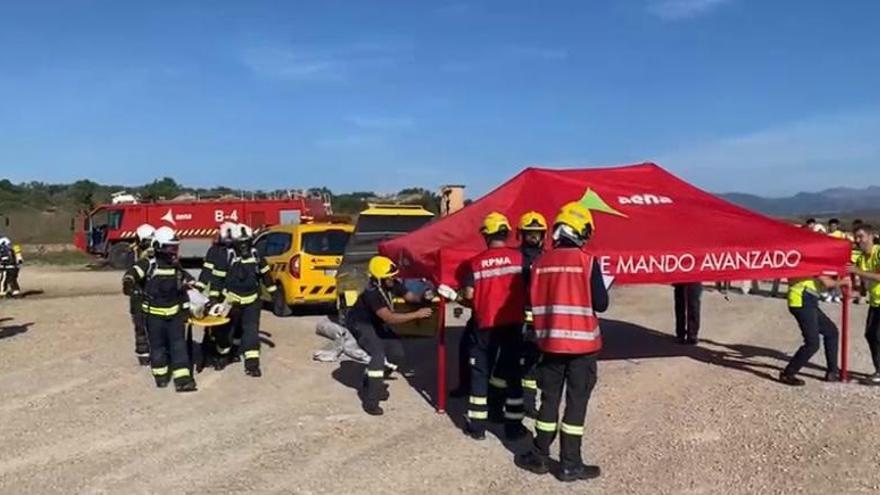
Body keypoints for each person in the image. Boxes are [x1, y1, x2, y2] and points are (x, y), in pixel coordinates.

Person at [515, 202, 608, 483]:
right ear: (578, 230)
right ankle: (570, 464)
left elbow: (533, 301)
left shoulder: (539, 263)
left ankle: (540, 456)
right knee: (576, 404)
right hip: (583, 349)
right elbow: (601, 304)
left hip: (550, 346)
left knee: (549, 402)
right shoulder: (587, 261)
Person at [459, 212, 528, 441]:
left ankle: (477, 427)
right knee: (512, 373)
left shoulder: (476, 263)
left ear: (486, 236)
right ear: (507, 233)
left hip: (485, 324)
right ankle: (513, 427)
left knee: (480, 373)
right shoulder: (520, 259)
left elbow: (468, 294)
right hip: (513, 323)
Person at [345, 256, 433, 415]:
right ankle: (371, 401)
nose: (394, 279)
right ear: (379, 279)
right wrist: (416, 315)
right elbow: (389, 318)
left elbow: (410, 297)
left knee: (397, 353)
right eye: (390, 277)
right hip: (361, 323)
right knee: (378, 353)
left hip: (377, 322)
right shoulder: (372, 293)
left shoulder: (392, 283)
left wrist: (424, 296)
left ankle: (372, 380)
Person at [123, 226, 197, 392]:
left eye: (175, 247)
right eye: (171, 248)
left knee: (179, 346)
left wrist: (196, 297)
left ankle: (183, 380)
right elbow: (132, 273)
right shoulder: (149, 264)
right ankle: (161, 376)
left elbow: (188, 283)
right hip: (153, 316)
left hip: (175, 316)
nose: (174, 251)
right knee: (158, 348)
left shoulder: (176, 267)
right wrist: (129, 283)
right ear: (160, 247)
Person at [210, 223, 278, 377]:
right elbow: (217, 280)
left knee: (251, 332)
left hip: (252, 300)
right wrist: (214, 299)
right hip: (230, 300)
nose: (244, 246)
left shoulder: (256, 256)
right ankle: (223, 356)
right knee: (226, 331)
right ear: (233, 242)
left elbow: (266, 276)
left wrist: (275, 296)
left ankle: (252, 365)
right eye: (240, 243)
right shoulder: (225, 256)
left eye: (246, 242)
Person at [779, 272, 847, 386]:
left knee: (831, 332)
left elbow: (824, 284)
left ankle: (832, 371)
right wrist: (843, 282)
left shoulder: (807, 264)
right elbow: (827, 283)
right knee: (812, 343)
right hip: (802, 300)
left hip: (807, 300)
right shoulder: (810, 264)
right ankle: (788, 374)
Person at [518, 211, 548, 418]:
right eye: (531, 233)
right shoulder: (515, 258)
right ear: (522, 234)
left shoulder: (549, 258)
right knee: (520, 362)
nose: (534, 237)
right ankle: (523, 403)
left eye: (538, 233)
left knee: (535, 363)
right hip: (520, 319)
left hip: (540, 320)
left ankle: (528, 402)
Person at [195, 222, 237, 369]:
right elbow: (206, 274)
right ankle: (217, 355)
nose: (217, 236)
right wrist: (197, 290)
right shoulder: (215, 251)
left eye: (219, 233)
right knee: (218, 327)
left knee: (228, 327)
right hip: (219, 297)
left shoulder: (237, 252)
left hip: (230, 297)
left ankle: (223, 355)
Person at [849, 224, 880, 385]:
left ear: (871, 236)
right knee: (870, 335)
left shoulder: (879, 252)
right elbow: (863, 285)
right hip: (875, 302)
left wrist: (857, 271)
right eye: (856, 237)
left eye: (861, 236)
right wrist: (856, 291)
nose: (858, 240)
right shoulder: (861, 258)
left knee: (876, 335)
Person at [124, 224, 156, 366]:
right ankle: (146, 354)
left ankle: (145, 355)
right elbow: (133, 271)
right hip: (143, 296)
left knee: (141, 327)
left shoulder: (143, 256)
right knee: (145, 326)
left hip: (142, 297)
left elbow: (133, 271)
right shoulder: (149, 257)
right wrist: (129, 281)